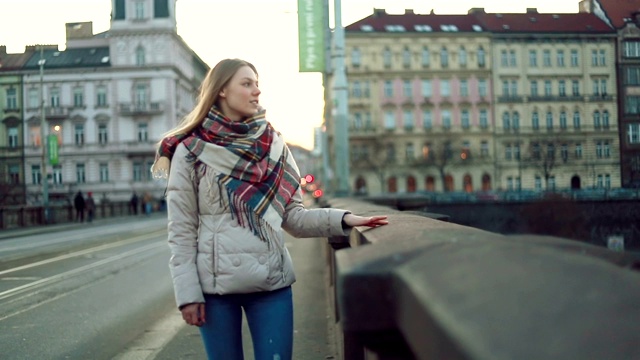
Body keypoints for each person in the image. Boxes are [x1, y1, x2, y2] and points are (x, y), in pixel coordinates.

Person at [151, 58, 388, 360]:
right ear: (222, 90)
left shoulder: (273, 145)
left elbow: (293, 218)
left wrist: (344, 219)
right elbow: (181, 232)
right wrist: (188, 296)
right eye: (247, 83)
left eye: (257, 84)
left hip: (271, 284)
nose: (256, 92)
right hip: (215, 291)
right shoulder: (190, 152)